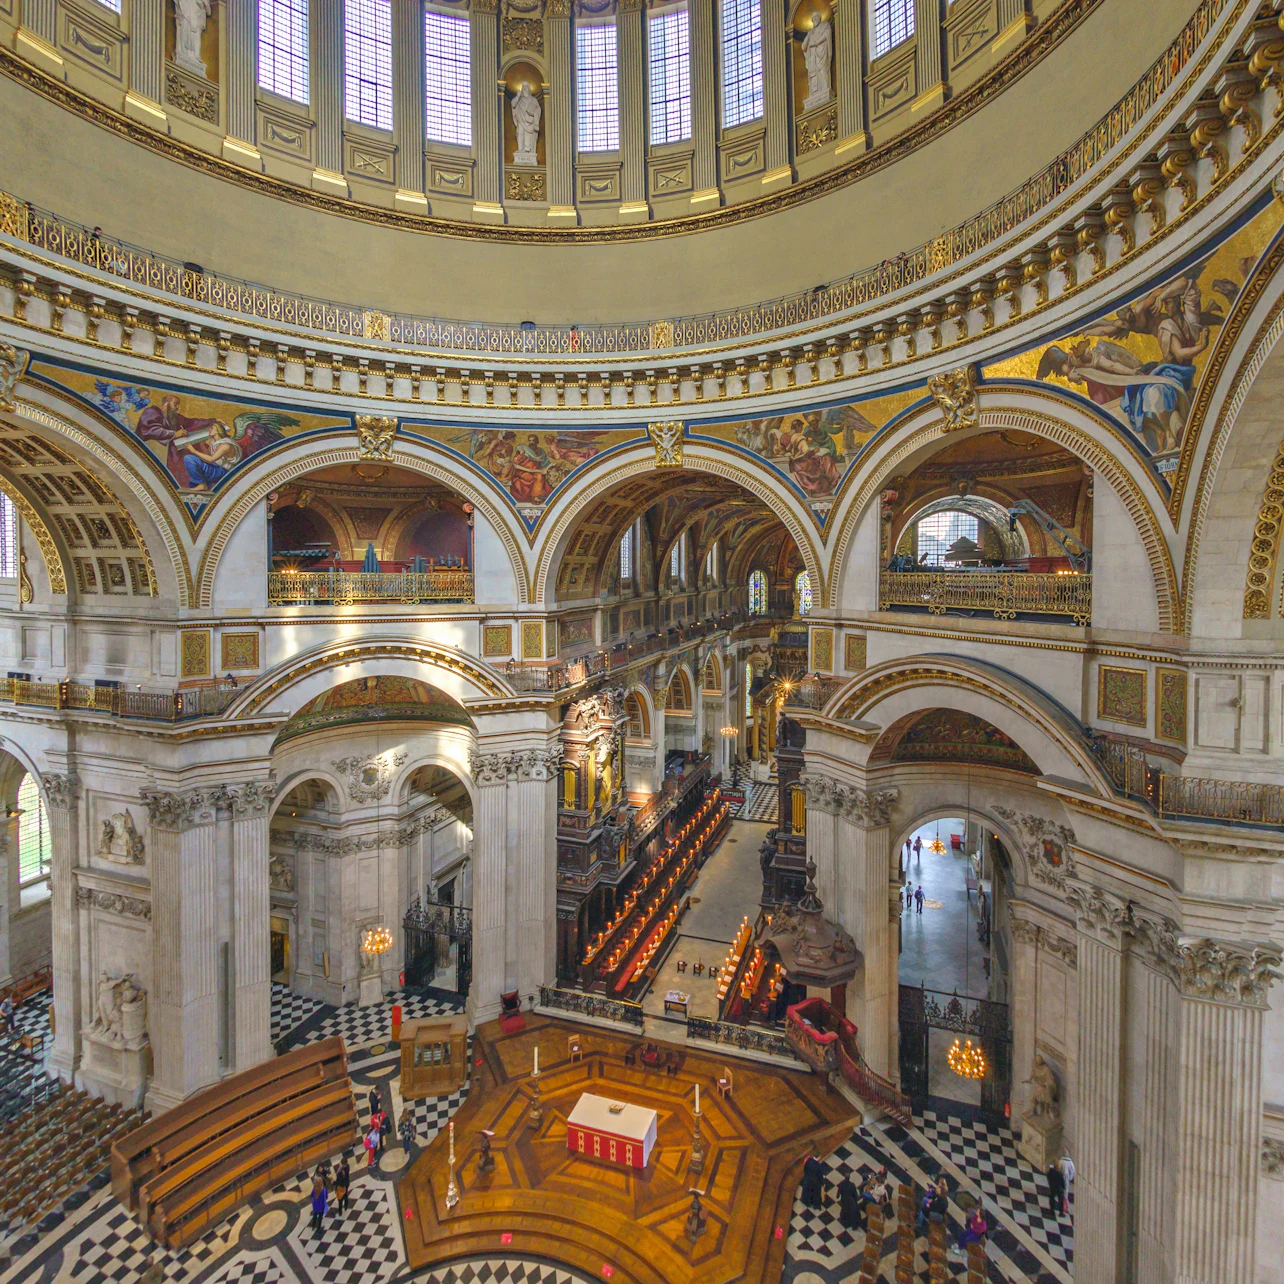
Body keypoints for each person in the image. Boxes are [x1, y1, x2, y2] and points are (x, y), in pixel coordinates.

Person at [800, 1144, 827, 1209]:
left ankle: (806, 1202)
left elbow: (805, 1169)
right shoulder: (818, 1166)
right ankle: (814, 1204)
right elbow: (820, 1176)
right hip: (815, 1182)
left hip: (807, 1179)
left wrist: (806, 1176)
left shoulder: (808, 1160)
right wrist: (822, 1183)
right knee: (814, 1194)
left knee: (806, 1192)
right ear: (819, 1157)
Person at [1058, 1152, 1076, 1217]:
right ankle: (1065, 1208)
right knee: (1066, 1194)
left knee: (1061, 1194)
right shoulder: (1070, 1163)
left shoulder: (1060, 1162)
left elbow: (1058, 1170)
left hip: (1060, 1180)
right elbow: (1073, 1172)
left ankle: (1061, 1207)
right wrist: (1069, 1178)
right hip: (1066, 1180)